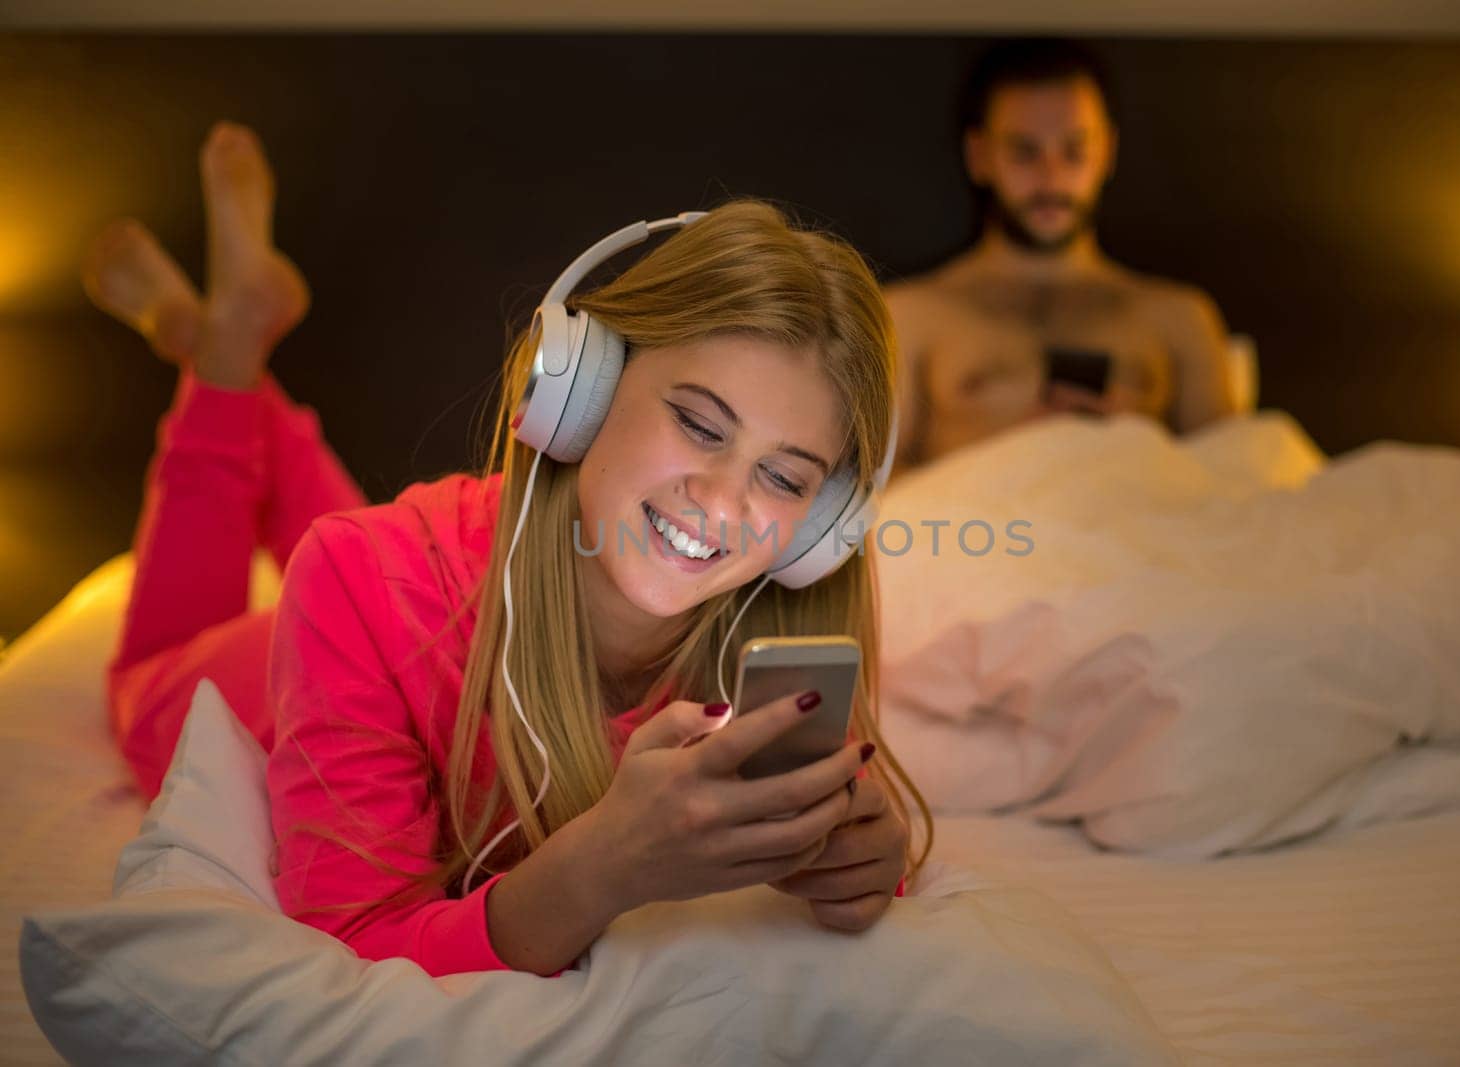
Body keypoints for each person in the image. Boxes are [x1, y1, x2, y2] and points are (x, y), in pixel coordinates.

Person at [88, 121, 929, 980]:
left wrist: (864, 857)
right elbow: (351, 957)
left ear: (825, 529)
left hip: (416, 580)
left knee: (365, 550)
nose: (723, 502)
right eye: (699, 423)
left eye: (786, 480)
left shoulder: (774, 637)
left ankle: (218, 336)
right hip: (309, 639)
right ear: (583, 385)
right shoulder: (358, 582)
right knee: (150, 675)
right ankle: (223, 353)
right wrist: (602, 866)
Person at [886, 38, 1244, 470]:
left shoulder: (1179, 318)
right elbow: (871, 490)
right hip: (985, 530)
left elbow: (1234, 487)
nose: (1051, 178)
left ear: (1107, 152)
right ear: (979, 156)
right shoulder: (909, 316)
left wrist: (1134, 445)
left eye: (1074, 150)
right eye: (1025, 152)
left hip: (1139, 525)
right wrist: (1012, 455)